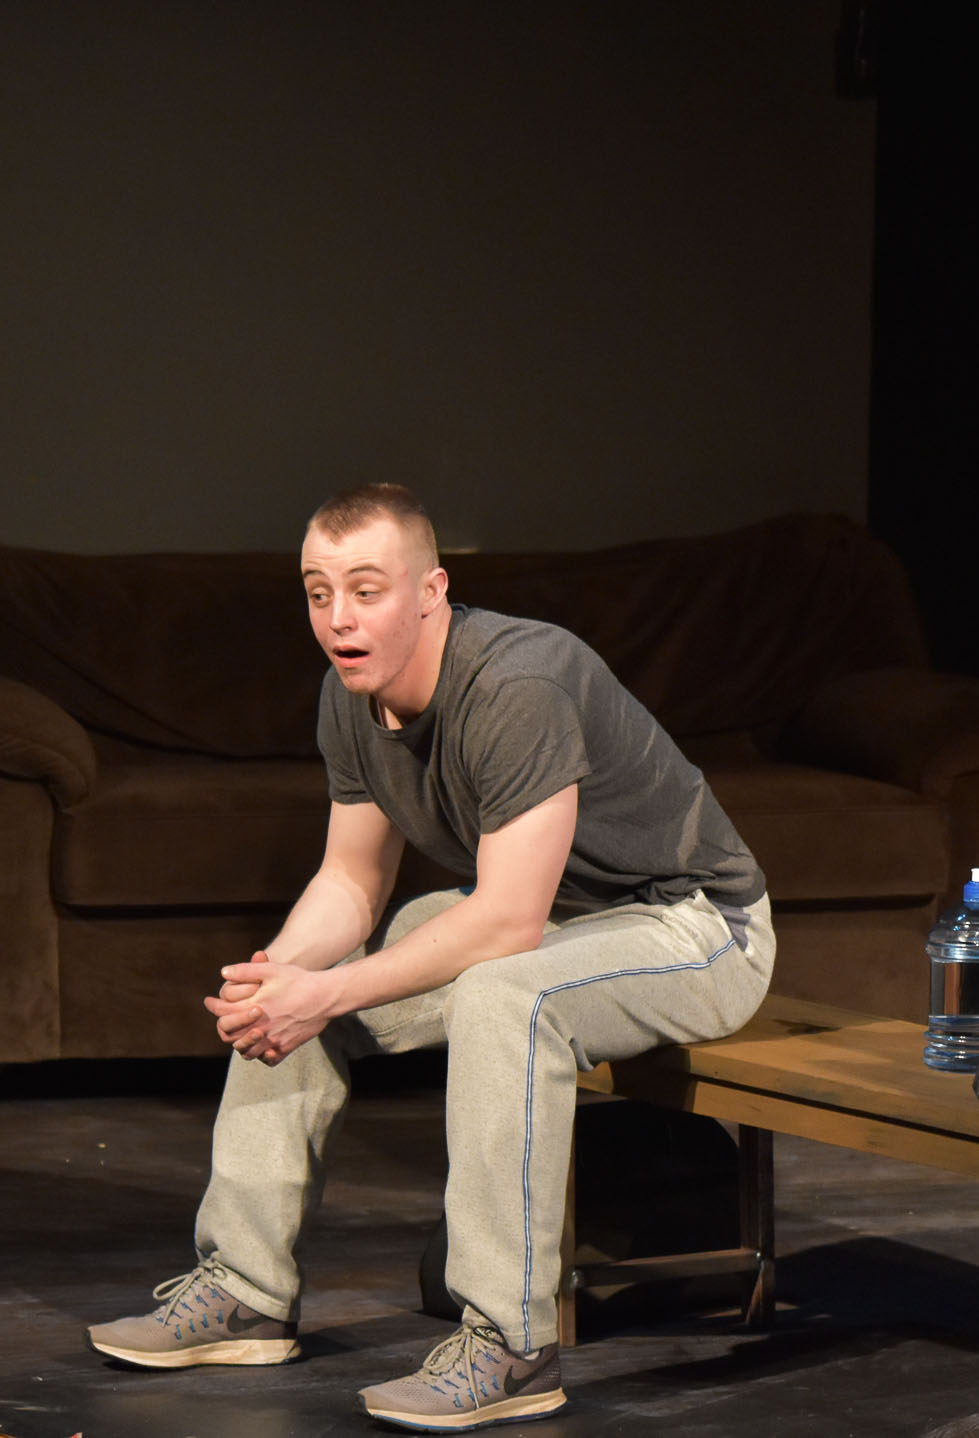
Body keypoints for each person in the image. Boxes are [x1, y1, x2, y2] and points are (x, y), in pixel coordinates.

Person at [87, 483, 774, 1431]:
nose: (338, 617)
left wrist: (325, 991)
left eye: (366, 590)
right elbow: (349, 883)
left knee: (502, 996)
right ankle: (245, 1291)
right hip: (558, 922)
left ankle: (509, 1348)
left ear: (431, 591)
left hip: (695, 927)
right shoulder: (350, 696)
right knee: (295, 986)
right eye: (318, 592)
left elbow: (506, 925)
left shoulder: (518, 683)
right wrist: (278, 980)